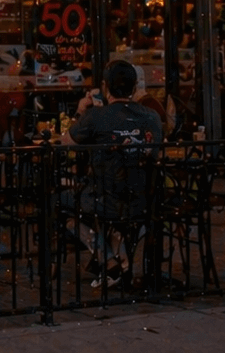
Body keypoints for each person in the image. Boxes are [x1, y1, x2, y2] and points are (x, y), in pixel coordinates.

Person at [64, 59, 163, 288]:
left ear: (106, 87)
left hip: (103, 200)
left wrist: (81, 112)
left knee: (61, 205)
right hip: (142, 200)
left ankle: (109, 262)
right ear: (135, 86)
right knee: (112, 212)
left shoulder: (97, 116)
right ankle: (121, 257)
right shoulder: (152, 117)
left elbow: (65, 142)